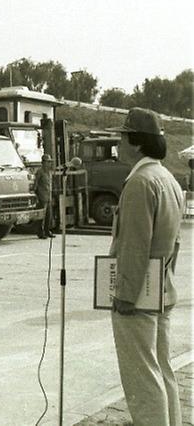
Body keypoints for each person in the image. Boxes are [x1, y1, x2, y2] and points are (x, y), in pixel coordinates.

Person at [106, 107, 185, 426]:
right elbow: (174, 243)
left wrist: (125, 294)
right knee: (162, 371)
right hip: (160, 289)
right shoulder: (168, 179)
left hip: (137, 297)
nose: (118, 144)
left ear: (136, 143)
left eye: (121, 137)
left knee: (142, 379)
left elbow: (135, 245)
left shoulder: (140, 181)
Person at [35, 154, 54, 239]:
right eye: (48, 162)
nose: (49, 164)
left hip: (48, 196)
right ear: (43, 163)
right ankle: (40, 232)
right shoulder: (40, 172)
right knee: (41, 216)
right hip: (42, 196)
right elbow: (36, 184)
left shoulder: (49, 172)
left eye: (50, 162)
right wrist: (36, 195)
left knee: (48, 215)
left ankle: (47, 231)